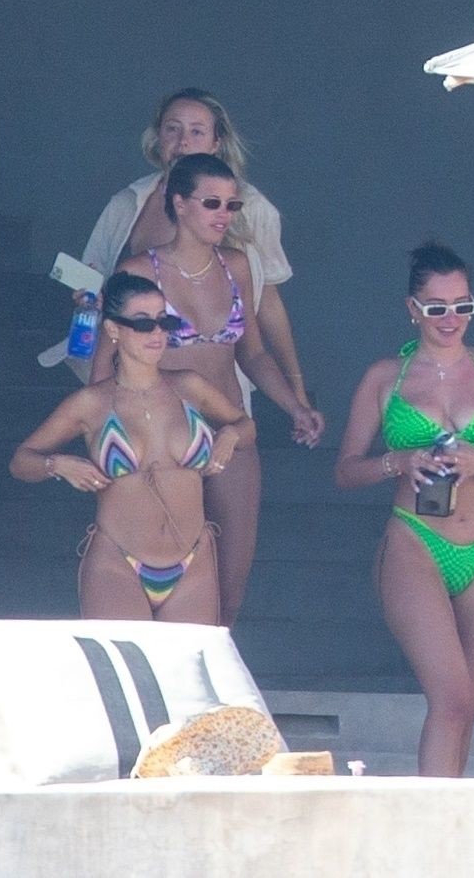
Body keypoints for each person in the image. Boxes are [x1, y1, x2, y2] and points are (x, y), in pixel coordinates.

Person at [91, 154, 322, 627]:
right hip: (161, 433)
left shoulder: (237, 266)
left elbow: (252, 354)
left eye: (232, 205)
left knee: (232, 583)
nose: (224, 214)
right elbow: (101, 371)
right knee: (155, 577)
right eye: (212, 203)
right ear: (179, 203)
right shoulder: (139, 270)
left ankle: (211, 673)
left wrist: (294, 405)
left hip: (228, 424)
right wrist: (108, 440)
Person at [334, 242, 474, 777]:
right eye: (437, 307)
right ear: (412, 308)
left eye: (463, 306)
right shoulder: (385, 377)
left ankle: (450, 816)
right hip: (415, 540)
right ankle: (431, 818)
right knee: (449, 697)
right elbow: (346, 470)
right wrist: (398, 461)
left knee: (466, 705)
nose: (451, 319)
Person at [46, 87, 314, 420]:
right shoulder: (128, 203)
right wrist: (90, 298)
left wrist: (296, 390)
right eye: (172, 129)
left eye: (197, 131)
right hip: (142, 393)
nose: (183, 141)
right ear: (157, 137)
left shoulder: (251, 209)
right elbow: (97, 283)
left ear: (216, 143)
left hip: (223, 391)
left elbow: (267, 305)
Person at [11, 272, 255, 623]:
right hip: (117, 561)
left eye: (164, 321)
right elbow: (21, 461)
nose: (157, 333)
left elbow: (246, 426)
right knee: (125, 659)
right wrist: (58, 465)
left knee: (186, 661)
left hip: (194, 558)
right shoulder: (91, 403)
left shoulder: (190, 386)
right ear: (113, 329)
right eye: (143, 324)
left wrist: (229, 437)